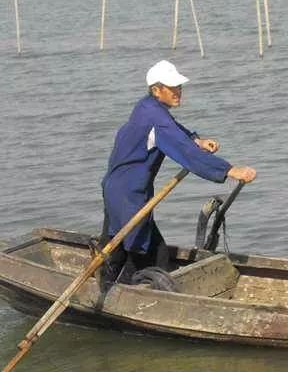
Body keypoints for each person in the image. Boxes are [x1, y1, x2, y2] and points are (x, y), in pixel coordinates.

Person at [100, 60, 256, 288]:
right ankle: (118, 293)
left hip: (117, 188)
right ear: (156, 90)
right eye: (172, 87)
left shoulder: (146, 107)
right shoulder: (154, 117)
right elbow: (185, 153)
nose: (178, 91)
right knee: (149, 253)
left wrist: (196, 140)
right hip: (128, 194)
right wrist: (230, 170)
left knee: (118, 245)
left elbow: (174, 130)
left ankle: (107, 285)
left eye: (179, 86)